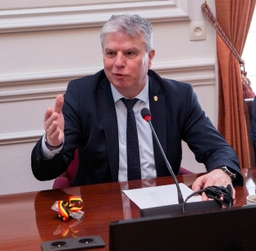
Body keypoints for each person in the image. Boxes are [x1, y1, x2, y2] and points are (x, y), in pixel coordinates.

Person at [31, 14, 243, 201]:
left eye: (130, 54)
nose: (118, 63)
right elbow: (45, 172)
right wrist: (51, 146)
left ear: (150, 57)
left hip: (160, 207)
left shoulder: (178, 97)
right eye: (111, 53)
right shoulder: (82, 95)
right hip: (101, 208)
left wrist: (222, 172)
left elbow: (216, 148)